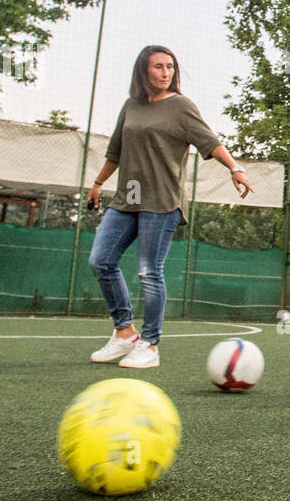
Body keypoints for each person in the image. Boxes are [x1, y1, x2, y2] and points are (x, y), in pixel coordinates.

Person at [86, 45, 252, 369]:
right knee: (101, 261)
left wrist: (235, 168)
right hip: (129, 198)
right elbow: (115, 152)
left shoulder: (181, 106)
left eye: (170, 67)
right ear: (143, 71)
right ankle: (124, 332)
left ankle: (149, 345)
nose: (165, 73)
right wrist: (97, 183)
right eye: (158, 67)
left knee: (149, 272)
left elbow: (210, 142)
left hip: (162, 200)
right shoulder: (131, 106)